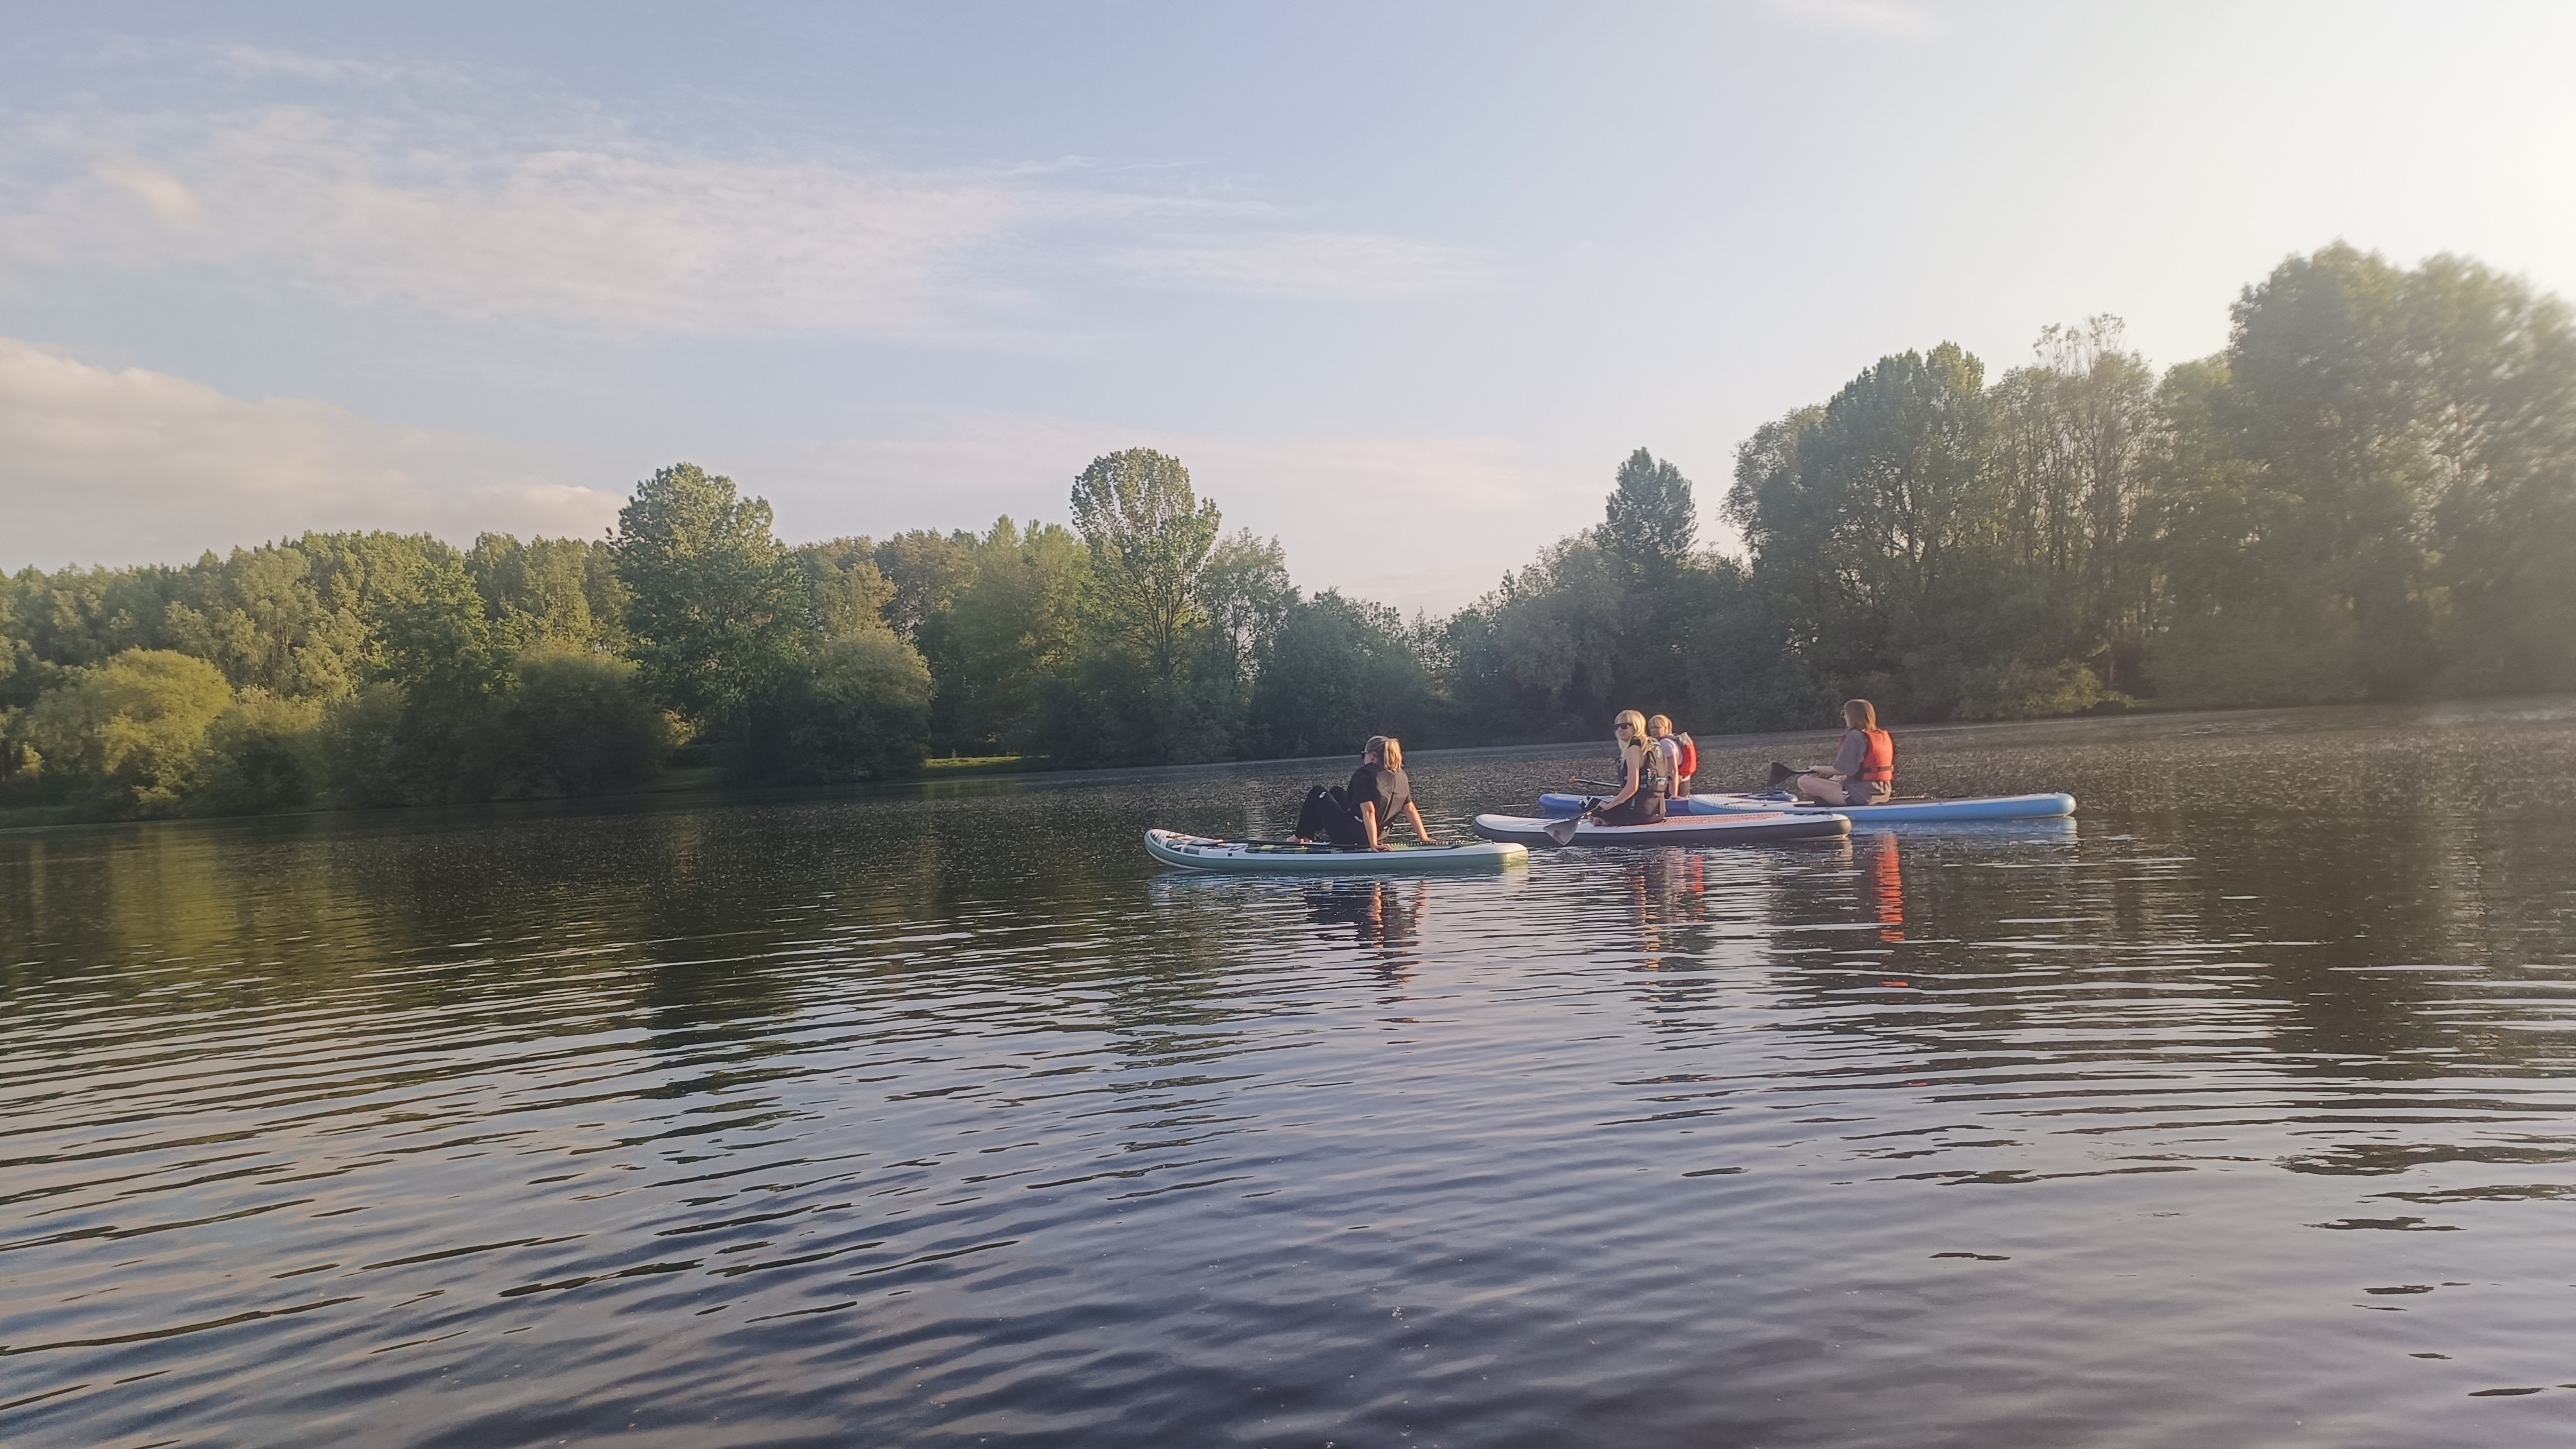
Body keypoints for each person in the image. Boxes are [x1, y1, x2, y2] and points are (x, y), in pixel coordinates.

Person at [1295, 736, 1438, 849]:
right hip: (1379, 834)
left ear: (1373, 756)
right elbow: (1410, 809)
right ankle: (1309, 835)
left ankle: (1298, 837)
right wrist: (1424, 838)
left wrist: (1373, 845)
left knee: (1317, 792)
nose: (1363, 757)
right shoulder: (1400, 775)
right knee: (1336, 792)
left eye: (1364, 754)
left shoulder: (1364, 775)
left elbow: (1369, 811)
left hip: (1353, 837)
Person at [1774, 699, 1894, 806]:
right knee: (1837, 778)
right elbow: (1853, 770)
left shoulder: (1855, 736)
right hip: (1884, 792)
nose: (1844, 717)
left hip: (1862, 796)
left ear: (1852, 715)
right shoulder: (1881, 735)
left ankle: (1829, 803)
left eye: (1845, 713)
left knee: (1803, 781)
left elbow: (1841, 769)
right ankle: (1829, 800)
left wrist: (1817, 768)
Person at [1574, 709, 1665, 825]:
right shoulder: (1653, 745)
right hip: (1658, 813)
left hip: (1638, 815)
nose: (1620, 730)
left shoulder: (1633, 749)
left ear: (1636, 726)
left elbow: (1632, 787)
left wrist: (1610, 806)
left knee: (1586, 802)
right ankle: (1604, 820)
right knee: (1607, 805)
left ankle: (1604, 820)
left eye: (1624, 726)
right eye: (1617, 727)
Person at [1647, 714, 1696, 801]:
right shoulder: (1673, 740)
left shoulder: (1665, 744)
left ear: (1665, 728)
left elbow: (1673, 771)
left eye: (1657, 728)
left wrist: (1673, 794)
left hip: (1676, 787)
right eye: (1651, 728)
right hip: (1684, 784)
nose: (1653, 731)